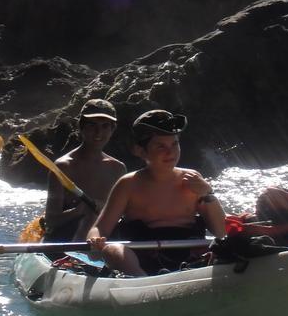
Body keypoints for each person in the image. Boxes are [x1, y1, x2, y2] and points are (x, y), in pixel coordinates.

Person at [86, 109, 226, 276]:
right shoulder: (128, 184)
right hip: (143, 259)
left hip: (191, 257)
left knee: (228, 247)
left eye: (174, 144)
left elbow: (221, 232)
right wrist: (95, 239)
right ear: (140, 151)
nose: (170, 152)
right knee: (113, 250)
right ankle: (143, 282)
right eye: (161, 146)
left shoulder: (194, 179)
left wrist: (208, 194)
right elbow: (100, 228)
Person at [42, 99, 127, 241]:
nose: (98, 132)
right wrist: (78, 211)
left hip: (101, 239)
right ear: (80, 127)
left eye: (105, 126)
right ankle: (78, 257)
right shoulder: (63, 167)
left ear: (112, 129)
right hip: (66, 238)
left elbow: (122, 214)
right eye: (91, 125)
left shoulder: (118, 168)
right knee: (90, 215)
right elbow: (51, 220)